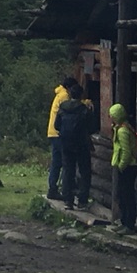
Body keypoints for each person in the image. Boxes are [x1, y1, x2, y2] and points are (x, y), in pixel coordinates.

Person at [53, 79, 94, 209]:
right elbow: (92, 127)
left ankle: (68, 200)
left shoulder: (63, 107)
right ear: (81, 95)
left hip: (66, 144)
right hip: (81, 144)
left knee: (68, 171)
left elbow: (57, 125)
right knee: (84, 171)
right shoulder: (84, 109)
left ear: (70, 94)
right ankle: (82, 200)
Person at [109, 102, 137, 232]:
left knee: (127, 195)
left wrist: (121, 165)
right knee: (124, 194)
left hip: (128, 166)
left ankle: (129, 224)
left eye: (112, 116)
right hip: (129, 166)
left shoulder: (122, 131)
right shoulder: (125, 127)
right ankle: (124, 221)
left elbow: (126, 152)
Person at [46, 80, 70, 200]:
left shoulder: (59, 94)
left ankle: (52, 188)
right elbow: (69, 109)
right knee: (65, 162)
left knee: (56, 162)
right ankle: (65, 190)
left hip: (52, 132)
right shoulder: (65, 96)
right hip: (58, 133)